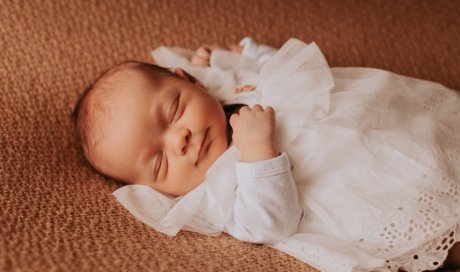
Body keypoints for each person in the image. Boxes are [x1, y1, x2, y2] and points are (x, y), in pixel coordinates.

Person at [72, 37, 460, 271]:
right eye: (160, 162)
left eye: (174, 111)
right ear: (158, 190)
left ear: (188, 80)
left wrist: (242, 55)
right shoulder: (215, 193)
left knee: (435, 130)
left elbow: (292, 69)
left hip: (377, 122)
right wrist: (258, 152)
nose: (181, 140)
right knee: (440, 234)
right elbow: (270, 224)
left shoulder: (226, 88)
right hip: (365, 190)